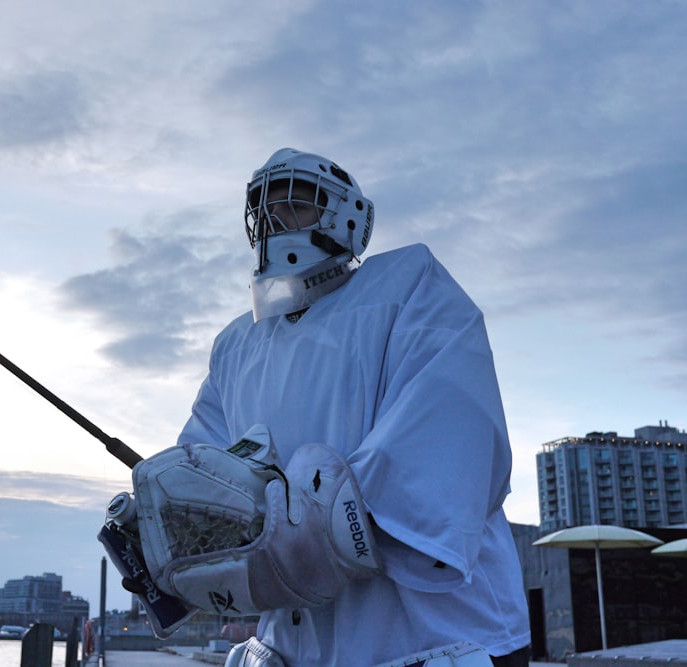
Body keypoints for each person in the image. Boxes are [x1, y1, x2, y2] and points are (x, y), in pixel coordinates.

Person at [153, 148, 531, 666]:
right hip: (291, 647)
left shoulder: (412, 285)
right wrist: (163, 522)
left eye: (296, 205)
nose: (274, 221)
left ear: (346, 217)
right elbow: (203, 467)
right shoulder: (236, 345)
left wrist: (318, 520)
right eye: (263, 211)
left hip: (437, 636)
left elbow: (447, 434)